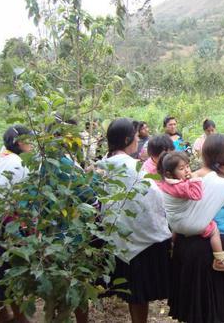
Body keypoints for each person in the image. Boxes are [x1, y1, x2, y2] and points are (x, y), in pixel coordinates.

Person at [98, 118, 172, 323]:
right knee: (138, 293)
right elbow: (154, 201)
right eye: (137, 137)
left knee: (132, 292)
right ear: (127, 140)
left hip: (116, 239)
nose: (138, 141)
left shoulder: (101, 166)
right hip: (140, 242)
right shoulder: (133, 168)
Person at [167, 134, 224, 323]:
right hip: (213, 249)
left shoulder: (188, 178)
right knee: (214, 306)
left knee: (192, 304)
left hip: (185, 245)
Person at [0, 125, 32, 323]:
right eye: (30, 142)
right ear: (20, 143)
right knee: (8, 274)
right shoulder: (19, 164)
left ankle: (4, 314)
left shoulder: (0, 160)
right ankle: (20, 318)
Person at [156, 151, 224, 271]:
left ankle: (172, 247)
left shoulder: (165, 184)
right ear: (170, 173)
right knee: (214, 229)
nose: (187, 170)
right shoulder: (181, 187)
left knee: (176, 226)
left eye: (187, 166)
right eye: (181, 168)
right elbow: (197, 195)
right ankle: (219, 259)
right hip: (189, 226)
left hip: (175, 225)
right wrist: (196, 180)